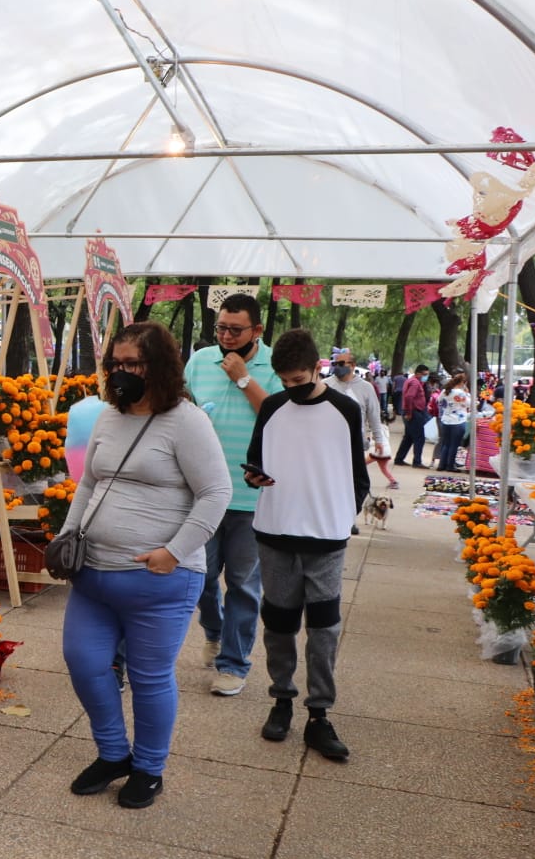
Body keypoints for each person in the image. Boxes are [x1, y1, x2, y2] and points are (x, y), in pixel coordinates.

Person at [60, 321, 231, 809]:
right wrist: (67, 536)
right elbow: (89, 484)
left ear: (158, 367)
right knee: (85, 664)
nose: (121, 372)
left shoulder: (186, 421)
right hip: (93, 574)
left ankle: (149, 768)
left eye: (132, 363)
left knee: (150, 677)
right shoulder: (109, 419)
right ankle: (113, 753)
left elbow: (216, 493)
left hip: (160, 580)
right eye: (116, 363)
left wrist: (173, 552)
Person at [245, 328, 368, 762]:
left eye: (298, 380)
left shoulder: (345, 409)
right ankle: (281, 700)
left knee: (324, 628)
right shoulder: (274, 406)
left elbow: (358, 473)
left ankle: (319, 714)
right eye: (284, 382)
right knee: (278, 625)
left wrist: (342, 514)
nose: (291, 389)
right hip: (276, 530)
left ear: (318, 368)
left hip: (326, 536)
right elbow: (256, 458)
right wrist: (253, 476)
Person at [183, 293, 279, 696]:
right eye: (220, 327)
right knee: (198, 578)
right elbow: (182, 404)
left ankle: (234, 664)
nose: (225, 336)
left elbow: (277, 416)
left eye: (235, 330)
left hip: (248, 497)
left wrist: (243, 377)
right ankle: (214, 630)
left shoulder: (273, 365)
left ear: (256, 330)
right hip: (201, 492)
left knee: (242, 583)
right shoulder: (200, 360)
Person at [324, 348, 397, 493]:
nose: (337, 367)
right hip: (329, 442)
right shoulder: (325, 385)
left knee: (353, 479)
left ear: (352, 365)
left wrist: (379, 440)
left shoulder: (366, 388)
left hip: (356, 441)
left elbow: (374, 416)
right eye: (335, 363)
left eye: (341, 363)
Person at [394, 364, 431, 467]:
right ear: (418, 373)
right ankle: (417, 461)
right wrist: (410, 413)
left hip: (412, 412)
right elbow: (409, 397)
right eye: (424, 374)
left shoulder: (412, 381)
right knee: (419, 438)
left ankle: (399, 458)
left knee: (409, 437)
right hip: (414, 412)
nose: (426, 377)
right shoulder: (415, 383)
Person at [436, 372, 472, 472]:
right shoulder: (461, 393)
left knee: (445, 444)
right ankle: (450, 465)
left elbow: (439, 402)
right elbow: (470, 404)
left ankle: (441, 464)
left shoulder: (445, 391)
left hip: (446, 419)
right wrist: (467, 393)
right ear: (463, 383)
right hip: (458, 421)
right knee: (454, 445)